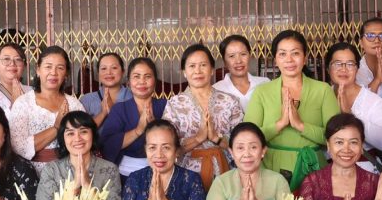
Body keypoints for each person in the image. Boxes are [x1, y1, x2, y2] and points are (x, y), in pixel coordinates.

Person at [244, 30, 340, 190]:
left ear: (305, 58)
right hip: (270, 168)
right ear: (275, 59)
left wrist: (300, 125)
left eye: (295, 53)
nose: (289, 60)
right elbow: (248, 138)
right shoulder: (262, 92)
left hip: (313, 167)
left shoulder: (323, 90)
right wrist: (280, 124)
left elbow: (336, 137)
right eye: (282, 54)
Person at [163, 44, 244, 190]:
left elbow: (242, 143)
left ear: (212, 69)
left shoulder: (230, 101)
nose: (198, 71)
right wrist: (198, 139)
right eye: (192, 66)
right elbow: (167, 147)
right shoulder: (174, 104)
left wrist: (217, 139)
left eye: (203, 65)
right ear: (184, 72)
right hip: (187, 176)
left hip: (225, 172)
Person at [115, 120, 206, 200]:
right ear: (146, 150)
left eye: (166, 147)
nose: (159, 155)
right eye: (152, 147)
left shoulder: (191, 179)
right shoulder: (135, 178)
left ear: (176, 151)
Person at [206, 123, 290, 200]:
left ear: (263, 151)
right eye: (240, 148)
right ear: (231, 152)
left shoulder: (278, 181)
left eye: (253, 147)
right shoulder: (221, 182)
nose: (247, 154)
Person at [35, 111, 121, 200]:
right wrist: (74, 186)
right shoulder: (51, 170)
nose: (77, 138)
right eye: (70, 133)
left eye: (83, 131)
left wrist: (88, 187)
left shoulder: (110, 169)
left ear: (93, 135)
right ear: (63, 139)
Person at [10, 46, 85, 174]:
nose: (53, 73)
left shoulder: (74, 104)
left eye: (60, 68)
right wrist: (56, 127)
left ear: (66, 73)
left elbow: (84, 138)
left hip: (69, 171)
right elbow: (18, 146)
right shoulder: (23, 103)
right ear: (38, 70)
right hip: (31, 173)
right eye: (48, 67)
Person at [297, 114, 380, 200]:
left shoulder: (375, 183)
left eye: (353, 142)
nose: (346, 149)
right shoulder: (312, 183)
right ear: (328, 145)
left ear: (362, 146)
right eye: (339, 142)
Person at [99, 57, 168, 177]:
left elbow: (175, 141)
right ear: (128, 82)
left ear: (155, 81)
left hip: (162, 169)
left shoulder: (165, 105)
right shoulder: (119, 109)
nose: (142, 82)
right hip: (125, 173)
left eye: (147, 76)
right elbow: (108, 144)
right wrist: (138, 130)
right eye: (136, 76)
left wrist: (155, 128)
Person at [324, 42, 382, 160]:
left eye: (350, 64)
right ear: (328, 69)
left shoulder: (372, 100)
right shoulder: (322, 96)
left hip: (363, 165)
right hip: (327, 166)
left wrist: (351, 115)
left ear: (357, 69)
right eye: (337, 64)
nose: (344, 69)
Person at [212, 34, 269, 113]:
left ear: (249, 56)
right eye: (232, 56)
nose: (238, 61)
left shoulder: (265, 83)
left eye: (243, 54)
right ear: (224, 62)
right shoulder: (216, 90)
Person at [79, 52, 130, 127]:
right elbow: (80, 130)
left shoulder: (134, 96)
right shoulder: (86, 100)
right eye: (103, 68)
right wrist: (103, 113)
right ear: (98, 73)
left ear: (123, 72)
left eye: (114, 68)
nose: (109, 72)